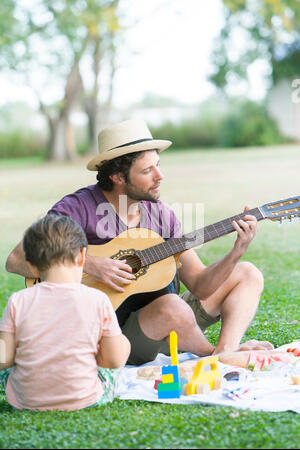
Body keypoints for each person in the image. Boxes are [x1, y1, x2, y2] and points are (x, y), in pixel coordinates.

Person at [6, 119, 273, 367]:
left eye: (158, 165)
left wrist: (236, 252)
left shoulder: (161, 215)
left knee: (247, 273)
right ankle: (213, 355)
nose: (160, 175)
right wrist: (91, 264)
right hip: (110, 335)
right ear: (118, 177)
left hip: (165, 321)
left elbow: (201, 287)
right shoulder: (78, 208)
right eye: (148, 170)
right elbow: (16, 260)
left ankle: (225, 351)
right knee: (173, 307)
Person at [0, 215, 130, 411]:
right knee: (123, 344)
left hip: (26, 401)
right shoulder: (98, 299)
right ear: (81, 256)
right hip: (85, 398)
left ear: (32, 265)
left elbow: (4, 359)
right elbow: (112, 361)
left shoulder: (18, 300)